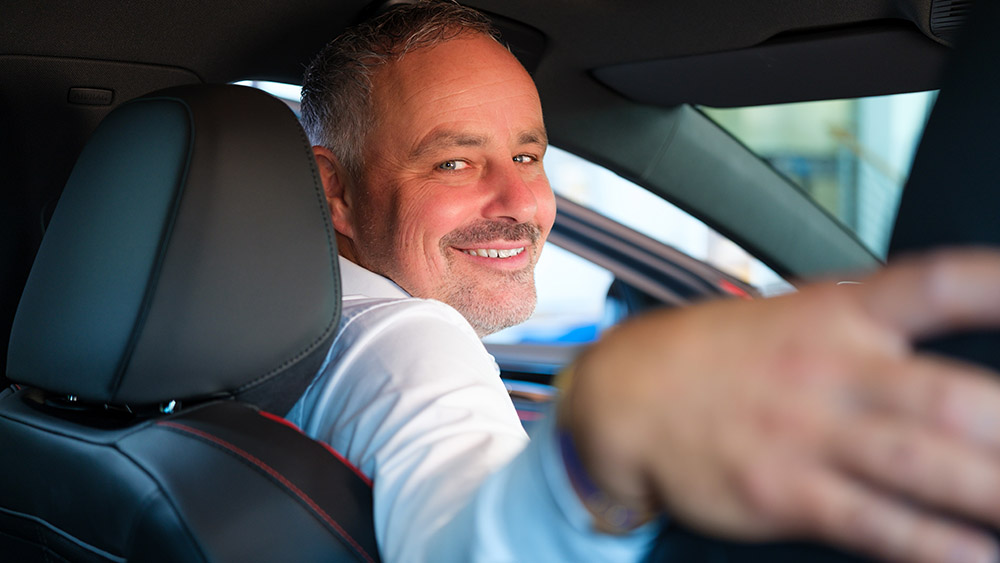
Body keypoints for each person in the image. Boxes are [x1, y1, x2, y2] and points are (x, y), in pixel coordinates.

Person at [288, 2, 1000, 562]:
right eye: (454, 163)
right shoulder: (405, 338)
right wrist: (594, 446)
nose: (519, 202)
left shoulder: (285, 332)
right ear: (336, 190)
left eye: (528, 155)